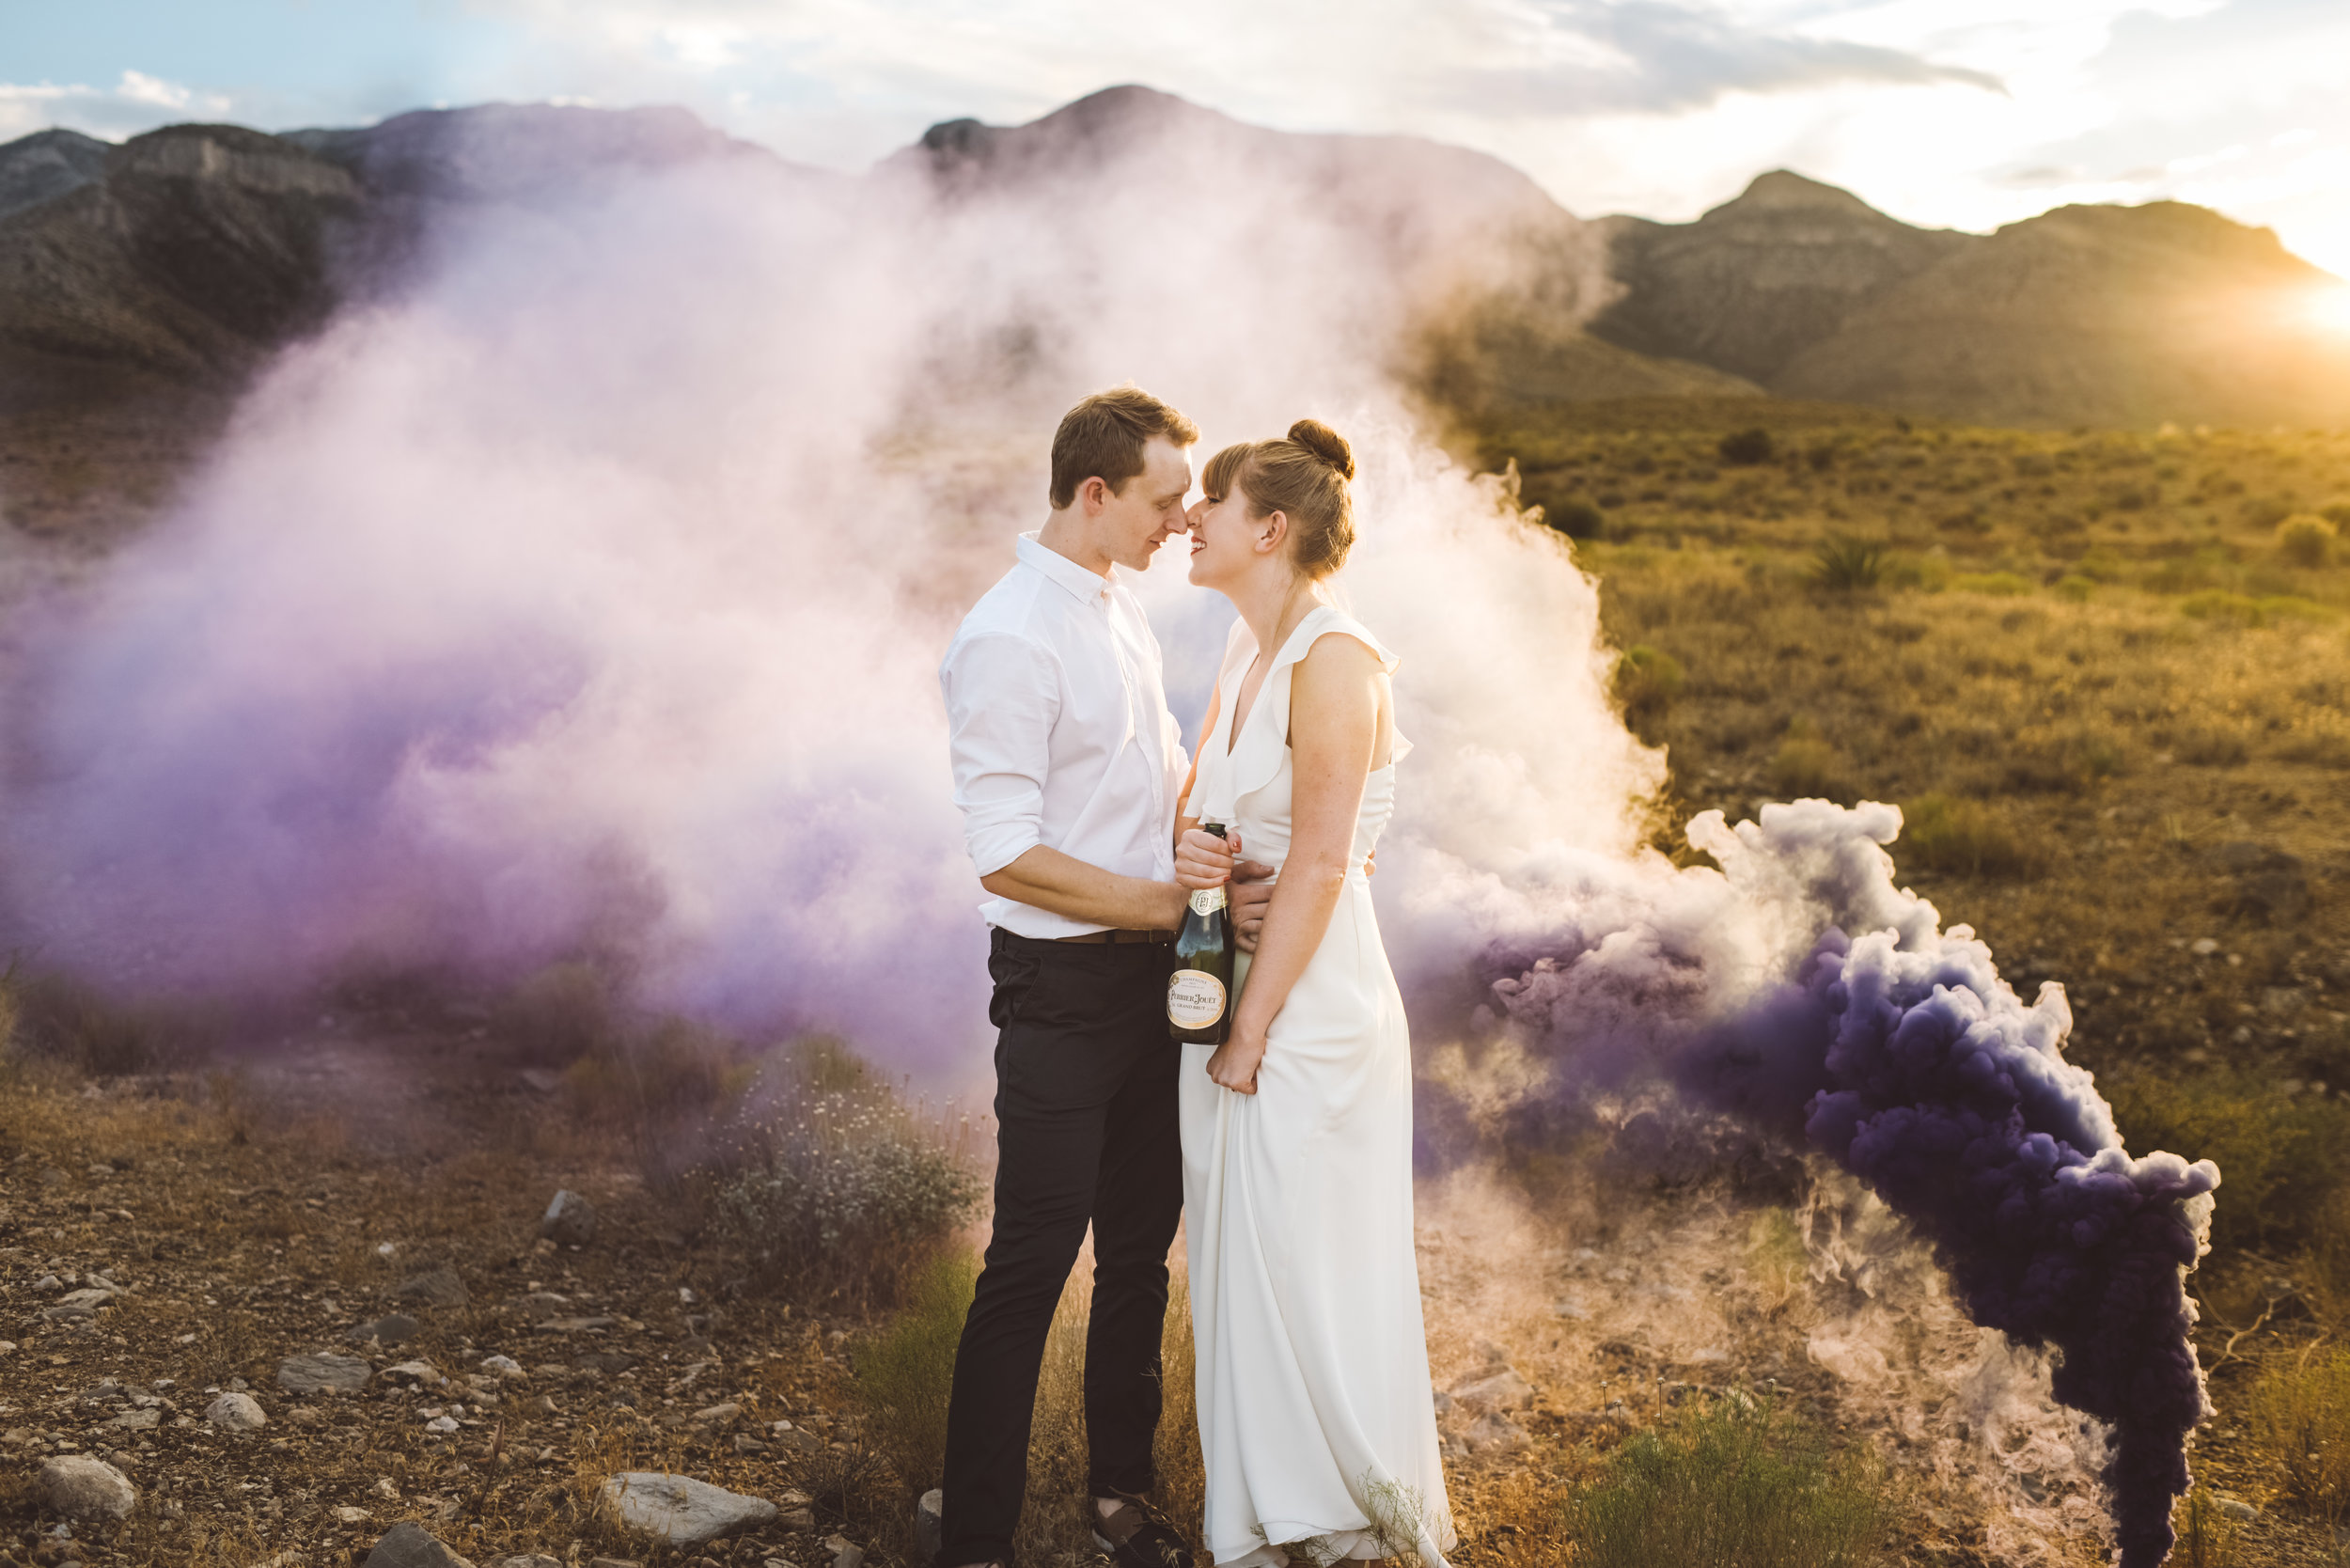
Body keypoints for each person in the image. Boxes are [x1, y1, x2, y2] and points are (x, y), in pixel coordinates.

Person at [935, 384, 1266, 1568]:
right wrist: (1167, 905)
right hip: (1062, 994)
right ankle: (973, 1540)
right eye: (1164, 497)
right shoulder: (1009, 635)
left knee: (1137, 1254)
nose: (1183, 519)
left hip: (1154, 990)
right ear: (1094, 494)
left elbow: (1145, 789)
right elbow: (1006, 853)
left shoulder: (1119, 609)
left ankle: (1120, 1497)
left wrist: (1203, 856)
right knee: (1029, 1263)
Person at [1171, 419, 1455, 1568]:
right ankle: (1266, 1511)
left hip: (1308, 1010)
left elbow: (1327, 860)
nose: (1188, 518)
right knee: (1240, 1250)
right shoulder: (1244, 651)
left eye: (1209, 502)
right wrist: (1199, 868)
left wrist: (1249, 1027)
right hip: (1242, 984)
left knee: (1309, 1253)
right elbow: (1197, 810)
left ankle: (1347, 1518)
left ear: (1270, 528)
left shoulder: (1337, 659)